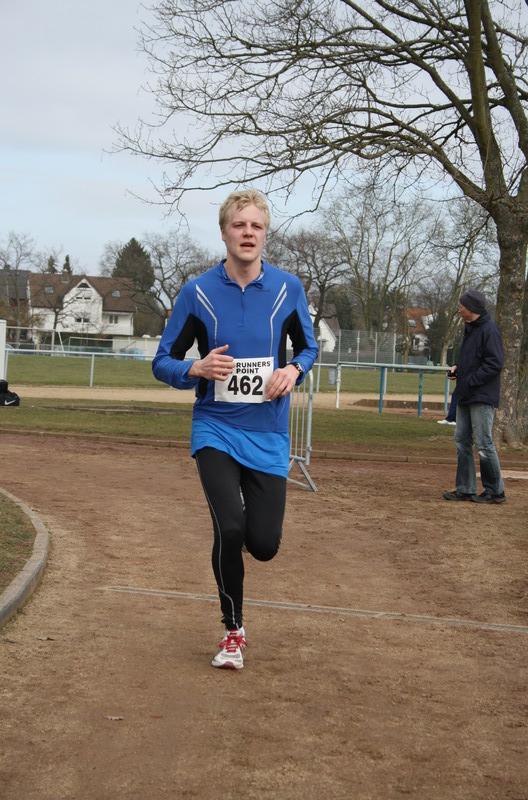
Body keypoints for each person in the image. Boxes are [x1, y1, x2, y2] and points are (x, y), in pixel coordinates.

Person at [152, 189, 319, 669]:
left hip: (268, 432)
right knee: (228, 528)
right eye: (239, 225)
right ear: (224, 232)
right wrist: (195, 368)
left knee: (262, 545)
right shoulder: (197, 292)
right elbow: (162, 361)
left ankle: (245, 521)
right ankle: (233, 631)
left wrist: (294, 370)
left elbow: (309, 348)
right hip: (216, 428)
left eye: (256, 226)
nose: (248, 233)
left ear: (266, 234)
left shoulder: (288, 288)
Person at [443, 288, 506, 505]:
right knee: (461, 440)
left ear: (472, 308)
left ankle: (495, 491)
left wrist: (470, 380)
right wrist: (457, 369)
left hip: (481, 395)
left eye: (462, 306)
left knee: (483, 443)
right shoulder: (470, 329)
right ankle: (465, 488)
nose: (459, 310)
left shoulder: (490, 330)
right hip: (465, 394)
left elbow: (494, 364)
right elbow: (472, 360)